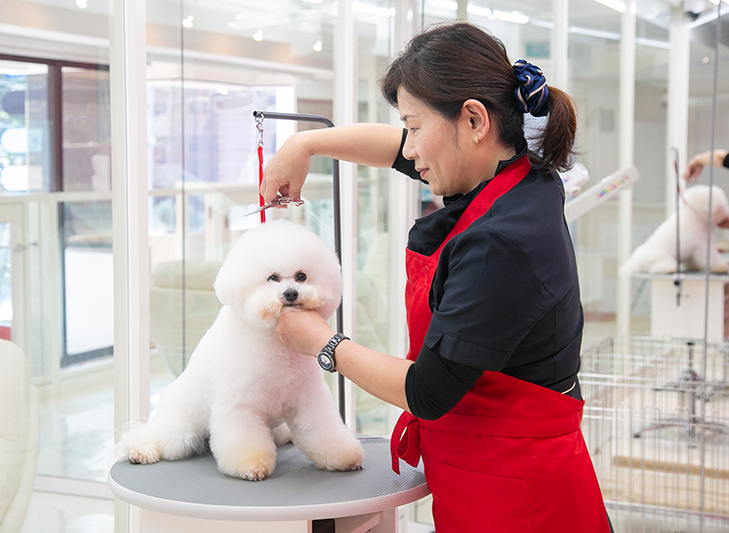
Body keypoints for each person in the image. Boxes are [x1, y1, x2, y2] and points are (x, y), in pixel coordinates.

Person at [261, 22, 612, 533]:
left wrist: (322, 341)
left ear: (474, 119)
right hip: (487, 472)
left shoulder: (501, 241)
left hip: (519, 497)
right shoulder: (517, 176)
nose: (410, 150)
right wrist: (306, 144)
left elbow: (427, 391)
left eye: (416, 126)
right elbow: (394, 147)